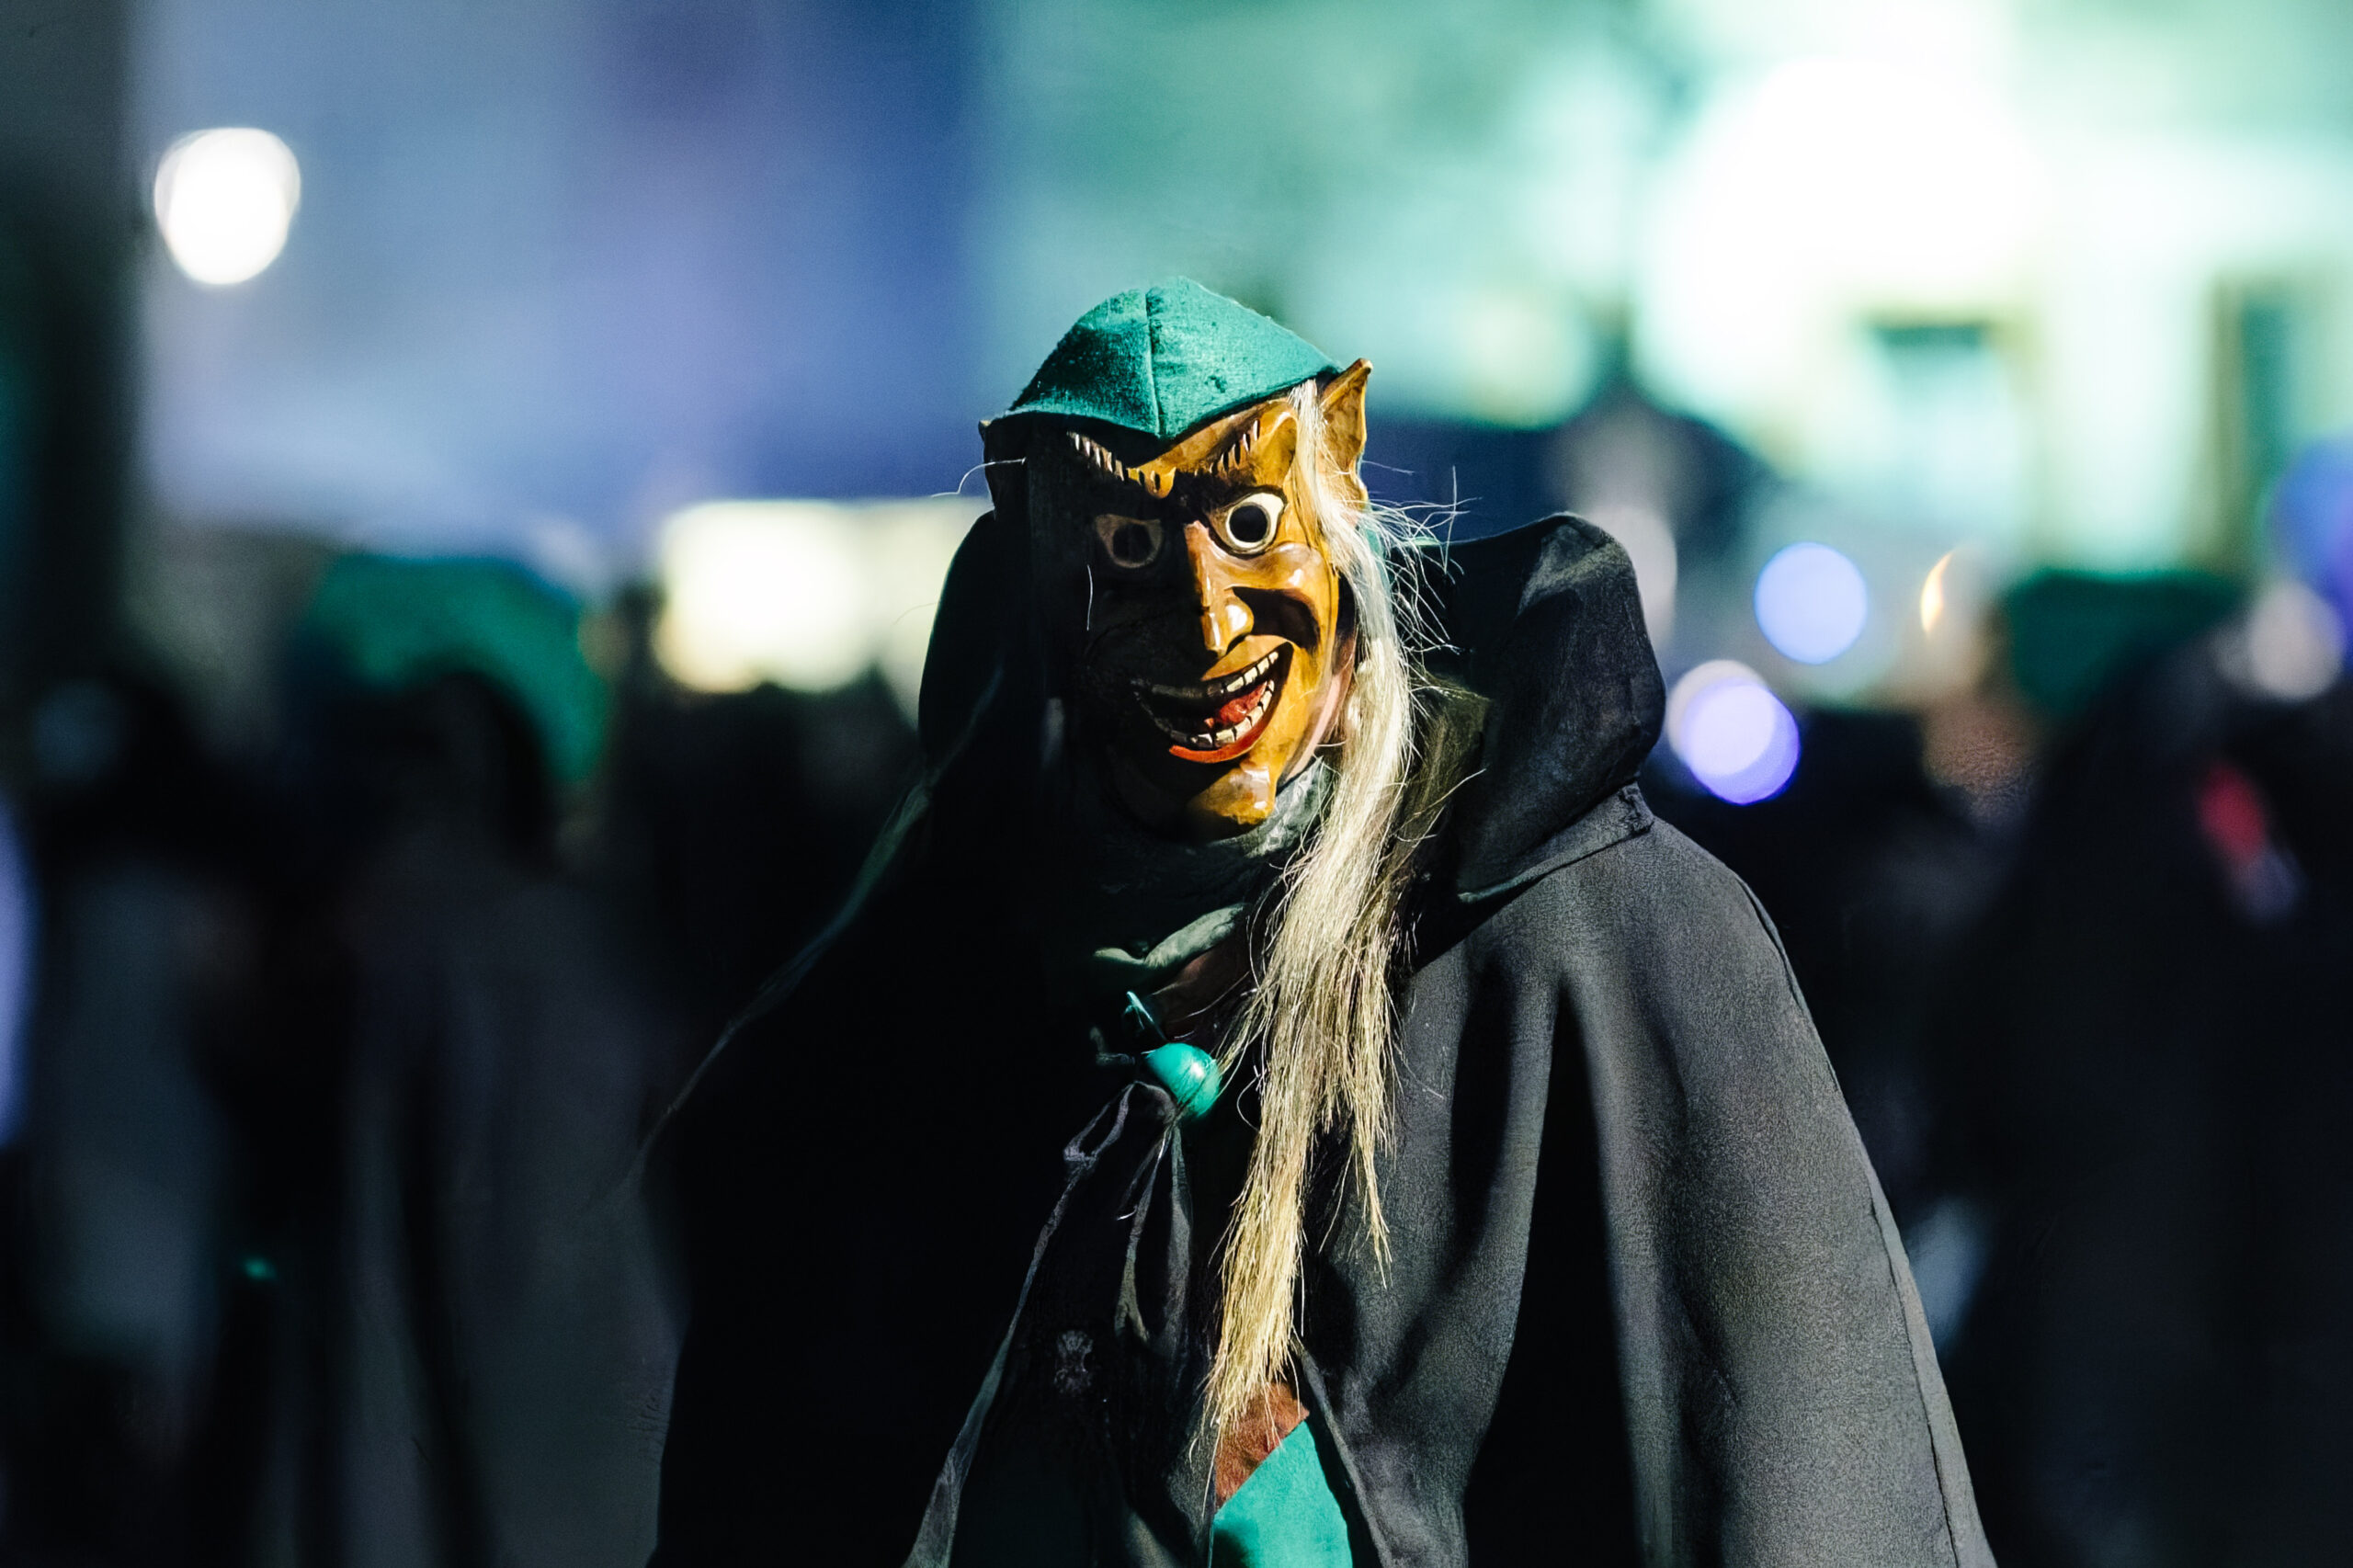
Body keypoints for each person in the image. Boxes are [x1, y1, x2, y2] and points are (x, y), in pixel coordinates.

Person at [653, 279, 1991, 1566]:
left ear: (1335, 489)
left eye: (1248, 524)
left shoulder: (1590, 942)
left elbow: (1801, 1472)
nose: (1207, 620)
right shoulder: (933, 995)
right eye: (1130, 550)